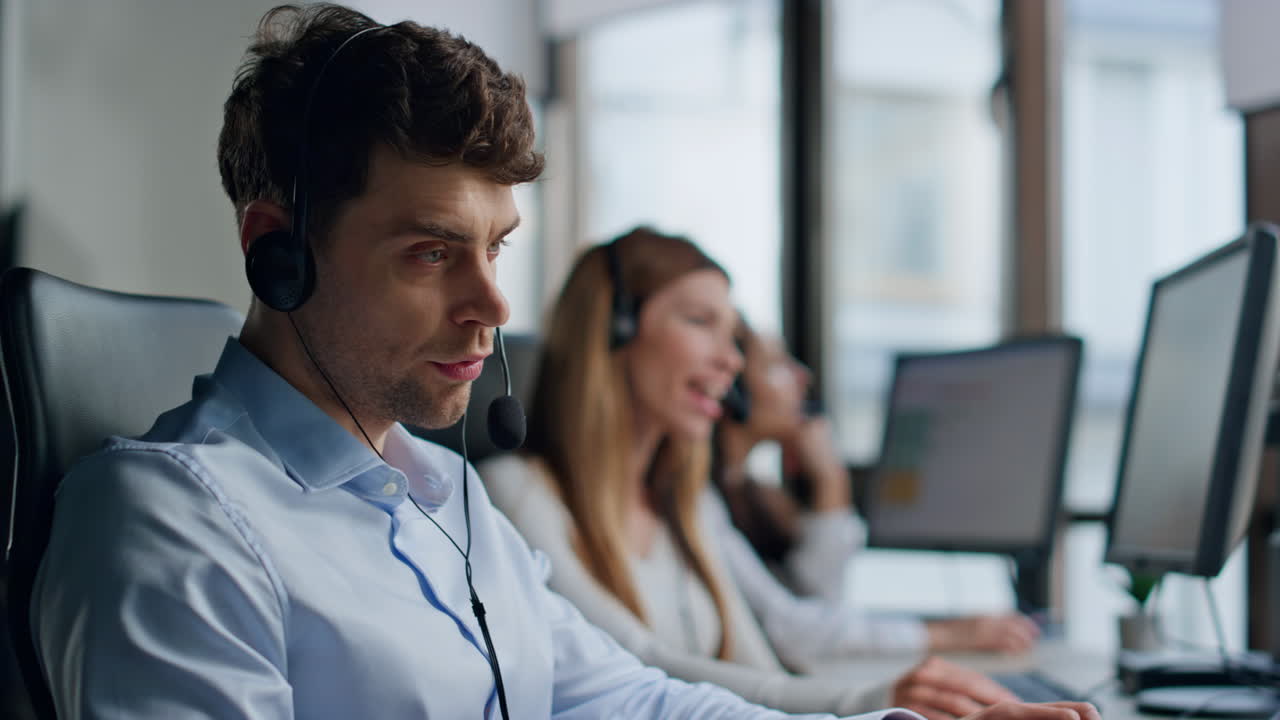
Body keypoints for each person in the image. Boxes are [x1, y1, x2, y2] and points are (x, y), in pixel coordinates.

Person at [28, 5, 1100, 720]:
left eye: (494, 249)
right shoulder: (171, 522)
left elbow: (626, 699)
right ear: (278, 247)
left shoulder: (444, 496)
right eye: (431, 252)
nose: (492, 301)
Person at [481, 228, 1056, 719]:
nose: (732, 360)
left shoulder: (686, 507)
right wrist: (871, 700)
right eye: (701, 321)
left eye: (731, 334)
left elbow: (766, 649)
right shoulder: (518, 493)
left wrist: (919, 695)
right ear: (617, 331)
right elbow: (639, 664)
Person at [712, 319, 1039, 655]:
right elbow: (792, 629)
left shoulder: (748, 494)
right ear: (732, 389)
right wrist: (949, 636)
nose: (802, 377)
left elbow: (819, 604)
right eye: (776, 366)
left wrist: (829, 479)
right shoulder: (704, 503)